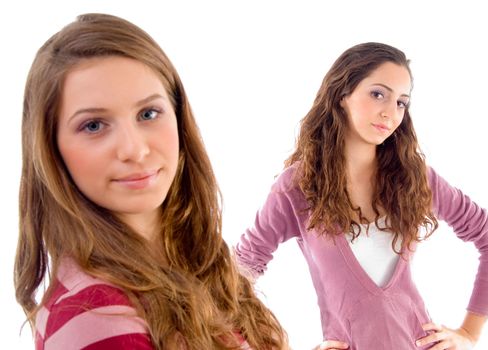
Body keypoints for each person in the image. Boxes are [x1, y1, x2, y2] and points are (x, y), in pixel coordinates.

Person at [14, 13, 287, 350]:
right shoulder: (97, 316)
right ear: (51, 148)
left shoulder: (193, 262)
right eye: (94, 125)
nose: (135, 149)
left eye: (147, 114)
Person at [235, 42, 488, 350]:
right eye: (378, 94)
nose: (390, 113)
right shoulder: (298, 188)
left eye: (401, 103)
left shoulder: (415, 178)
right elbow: (237, 273)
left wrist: (469, 332)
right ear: (342, 95)